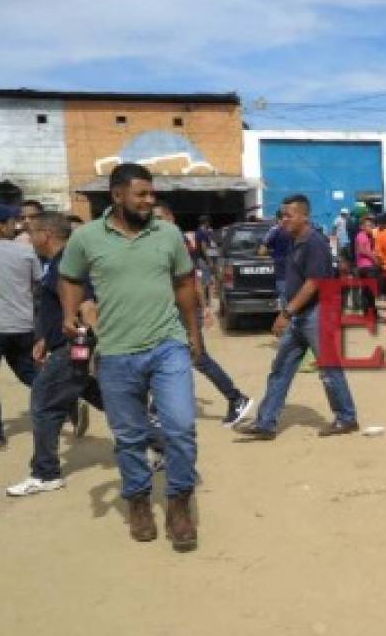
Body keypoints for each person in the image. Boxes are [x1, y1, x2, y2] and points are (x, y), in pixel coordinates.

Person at [58, 162, 202, 550]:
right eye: (141, 194)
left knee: (180, 427)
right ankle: (138, 500)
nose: (148, 200)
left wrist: (194, 333)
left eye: (151, 193)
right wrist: (69, 313)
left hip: (167, 344)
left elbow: (185, 283)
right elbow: (69, 277)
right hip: (116, 352)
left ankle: (178, 504)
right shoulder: (86, 237)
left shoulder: (168, 234)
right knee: (129, 436)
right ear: (117, 195)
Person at [237, 194, 359, 440]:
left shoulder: (315, 243)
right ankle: (266, 423)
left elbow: (313, 284)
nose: (283, 220)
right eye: (281, 215)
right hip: (300, 316)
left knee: (329, 368)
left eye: (289, 216)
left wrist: (286, 312)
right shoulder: (293, 239)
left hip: (316, 313)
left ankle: (346, 418)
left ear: (304, 216)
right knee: (281, 369)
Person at [6, 212, 103, 496]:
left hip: (73, 345)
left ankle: (45, 473)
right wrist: (44, 339)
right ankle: (156, 440)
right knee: (98, 394)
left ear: (46, 234)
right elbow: (60, 307)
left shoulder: (67, 264)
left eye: (32, 231)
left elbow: (85, 304)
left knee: (43, 402)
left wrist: (91, 344)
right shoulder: (54, 264)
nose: (28, 237)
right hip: (62, 343)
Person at [153, 203, 252, 427]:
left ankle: (236, 398)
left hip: (181, 311)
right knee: (170, 358)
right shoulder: (165, 241)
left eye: (159, 217)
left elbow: (191, 279)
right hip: (170, 310)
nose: (155, 222)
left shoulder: (175, 240)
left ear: (170, 218)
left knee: (197, 358)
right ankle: (157, 410)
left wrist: (203, 308)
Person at [0, 203, 41, 449]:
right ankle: (65, 403)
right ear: (1, 226)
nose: (16, 225)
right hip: (23, 324)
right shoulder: (25, 252)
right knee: (29, 373)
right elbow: (39, 286)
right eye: (12, 221)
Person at [260, 209, 292, 306]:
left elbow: (262, 251)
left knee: (284, 299)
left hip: (282, 270)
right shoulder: (295, 231)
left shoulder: (275, 231)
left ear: (278, 219)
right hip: (295, 271)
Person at [354, 215, 378, 314]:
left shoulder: (366, 236)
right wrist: (373, 258)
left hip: (364, 266)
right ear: (362, 227)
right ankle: (370, 311)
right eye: (368, 225)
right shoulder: (362, 236)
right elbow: (362, 250)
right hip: (366, 267)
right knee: (369, 290)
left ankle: (368, 311)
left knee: (366, 290)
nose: (370, 227)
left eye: (371, 225)